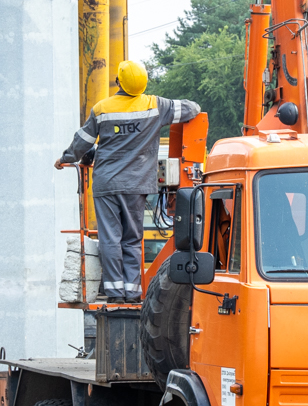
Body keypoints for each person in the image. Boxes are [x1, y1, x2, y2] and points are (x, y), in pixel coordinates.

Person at [56, 60, 200, 302]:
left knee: (110, 238)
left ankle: (114, 292)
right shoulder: (156, 106)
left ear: (118, 82)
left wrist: (65, 158)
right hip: (136, 185)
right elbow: (192, 109)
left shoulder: (103, 109)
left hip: (106, 184)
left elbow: (83, 141)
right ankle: (133, 292)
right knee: (132, 239)